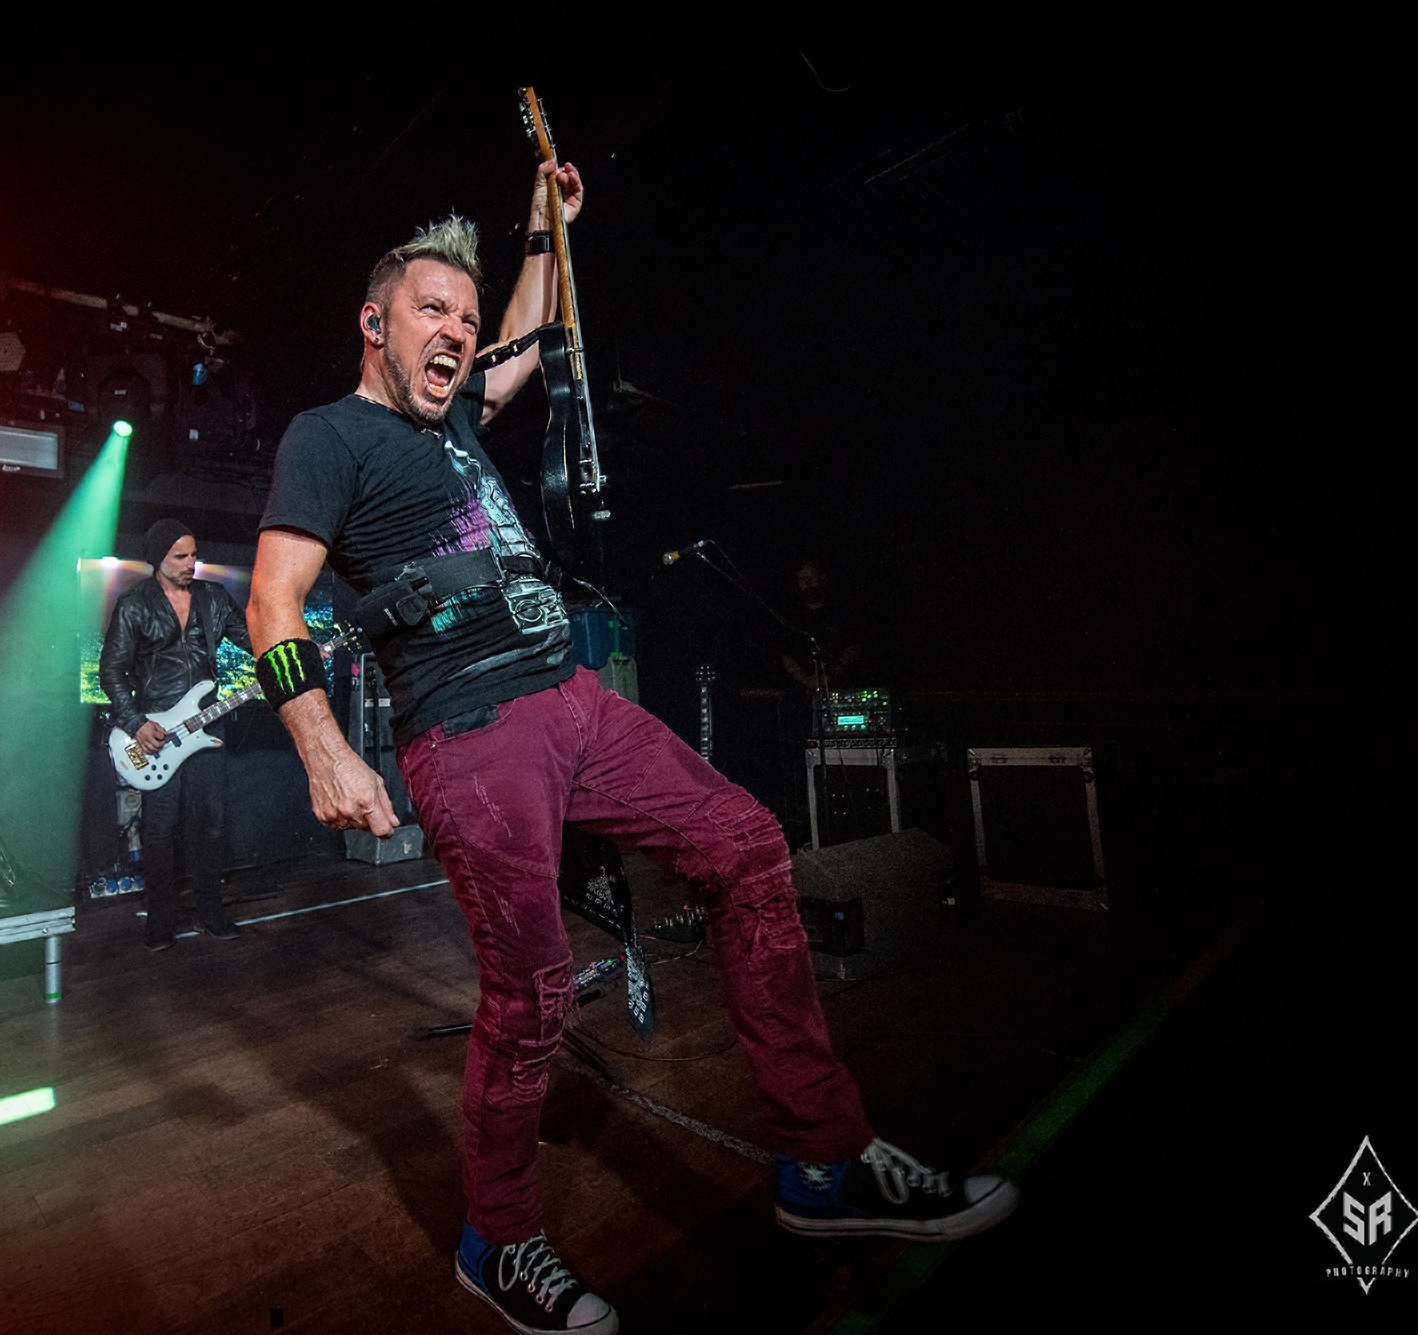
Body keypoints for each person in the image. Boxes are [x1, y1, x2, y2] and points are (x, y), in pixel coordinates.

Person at [247, 160, 1016, 1334]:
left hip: (571, 700)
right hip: (467, 731)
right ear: (372, 323)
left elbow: (525, 332)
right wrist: (320, 749)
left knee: (748, 849)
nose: (454, 332)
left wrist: (544, 229)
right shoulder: (328, 436)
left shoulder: (459, 414)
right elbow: (271, 602)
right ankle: (496, 1242)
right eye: (428, 311)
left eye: (463, 318)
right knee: (532, 994)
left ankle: (824, 1163)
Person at [98, 518, 252, 949]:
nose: (191, 563)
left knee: (211, 824)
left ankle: (210, 913)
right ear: (157, 559)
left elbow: (252, 640)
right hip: (157, 731)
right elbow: (111, 671)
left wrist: (290, 649)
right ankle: (160, 920)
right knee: (160, 829)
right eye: (180, 556)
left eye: (194, 554)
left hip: (207, 726)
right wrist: (136, 723)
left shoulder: (214, 599)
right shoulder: (134, 605)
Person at [779, 557, 864, 694]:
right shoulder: (791, 615)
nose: (807, 584)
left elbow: (853, 648)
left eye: (811, 578)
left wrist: (829, 676)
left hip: (841, 685)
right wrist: (806, 680)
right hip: (802, 689)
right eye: (802, 579)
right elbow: (785, 653)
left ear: (822, 578)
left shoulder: (841, 611)